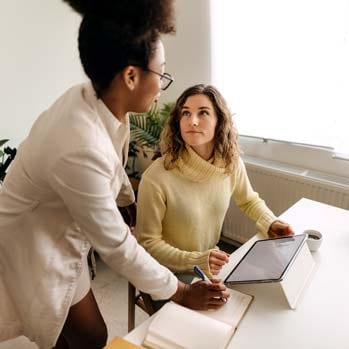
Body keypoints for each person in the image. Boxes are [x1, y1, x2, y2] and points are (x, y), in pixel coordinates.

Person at [0, 3, 229, 349]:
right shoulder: (80, 144)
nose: (162, 87)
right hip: (31, 240)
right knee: (86, 335)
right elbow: (118, 249)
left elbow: (114, 169)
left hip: (57, 231)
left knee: (84, 334)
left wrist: (129, 204)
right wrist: (182, 292)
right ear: (132, 76)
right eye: (162, 75)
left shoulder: (95, 101)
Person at [136, 84, 294, 278]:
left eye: (203, 113)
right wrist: (196, 260)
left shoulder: (230, 163)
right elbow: (148, 243)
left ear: (219, 121)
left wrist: (271, 222)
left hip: (209, 264)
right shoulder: (157, 176)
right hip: (167, 273)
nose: (192, 121)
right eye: (185, 113)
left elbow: (249, 200)